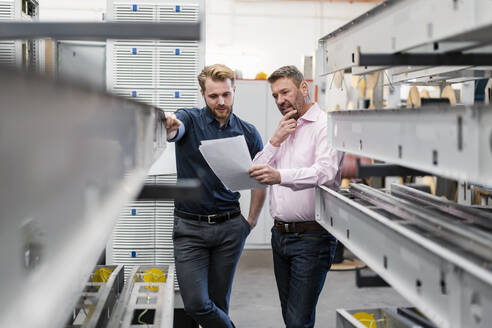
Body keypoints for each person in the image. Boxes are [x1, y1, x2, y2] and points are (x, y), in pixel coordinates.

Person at [164, 64, 266, 328]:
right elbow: (175, 129)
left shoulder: (248, 132)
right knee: (196, 303)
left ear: (234, 90)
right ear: (202, 94)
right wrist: (169, 124)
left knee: (219, 303)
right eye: (213, 96)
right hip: (189, 229)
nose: (221, 101)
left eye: (226, 95)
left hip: (229, 228)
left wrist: (250, 222)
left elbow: (260, 180)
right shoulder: (189, 119)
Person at [249, 65, 344, 328]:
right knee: (292, 319)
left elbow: (324, 173)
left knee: (297, 320)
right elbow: (255, 170)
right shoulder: (285, 128)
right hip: (280, 236)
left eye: (285, 92)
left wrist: (280, 176)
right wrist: (274, 141)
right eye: (275, 96)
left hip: (312, 237)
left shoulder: (325, 126)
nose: (280, 100)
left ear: (304, 88)